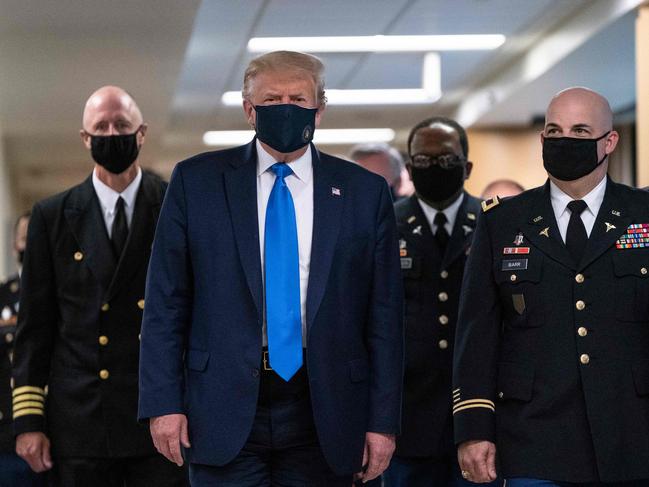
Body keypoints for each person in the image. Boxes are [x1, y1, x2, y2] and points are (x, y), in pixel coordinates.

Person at [138, 50, 404, 486]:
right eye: (271, 99)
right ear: (248, 110)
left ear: (320, 107)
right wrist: (163, 403)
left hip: (328, 406)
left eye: (298, 99)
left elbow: (385, 317)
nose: (286, 108)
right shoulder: (196, 182)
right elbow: (167, 301)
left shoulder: (364, 192)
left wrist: (383, 421)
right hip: (220, 402)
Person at [453, 87, 649, 486]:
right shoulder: (503, 222)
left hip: (633, 431)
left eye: (580, 131)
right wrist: (473, 427)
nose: (564, 141)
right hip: (533, 435)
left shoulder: (642, 215)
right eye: (554, 131)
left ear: (609, 141)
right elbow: (477, 335)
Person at [12, 86, 188, 486]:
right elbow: (34, 328)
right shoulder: (52, 216)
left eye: (122, 124)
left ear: (141, 132)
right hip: (81, 421)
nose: (112, 134)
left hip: (160, 416)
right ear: (85, 138)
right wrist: (28, 421)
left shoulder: (175, 206)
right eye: (102, 126)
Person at [382, 117, 498, 487]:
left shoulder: (495, 222)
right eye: (424, 160)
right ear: (410, 167)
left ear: (467, 168)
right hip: (407, 415)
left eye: (446, 160)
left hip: (479, 413)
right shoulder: (384, 224)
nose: (435, 168)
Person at [0, 212, 48, 486]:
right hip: (9, 430)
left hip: (63, 430)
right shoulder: (3, 295)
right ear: (15, 245)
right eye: (25, 236)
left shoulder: (71, 295)